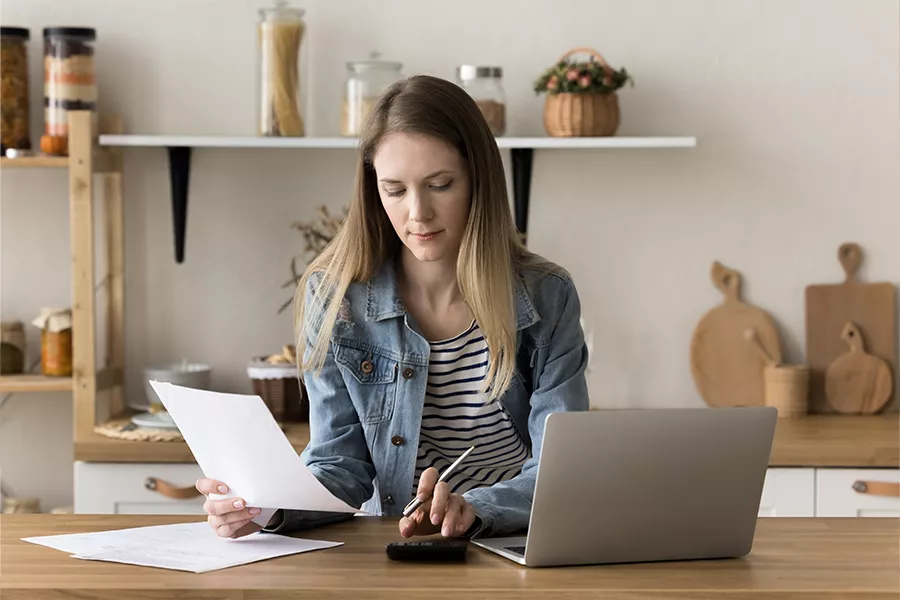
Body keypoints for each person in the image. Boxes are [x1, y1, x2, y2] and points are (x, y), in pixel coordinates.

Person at [196, 74, 589, 541]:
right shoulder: (336, 299)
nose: (417, 213)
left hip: (508, 541)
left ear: (478, 181)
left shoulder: (547, 295)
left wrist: (474, 509)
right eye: (395, 190)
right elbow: (340, 465)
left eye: (440, 185)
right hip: (391, 549)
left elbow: (561, 469)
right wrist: (266, 507)